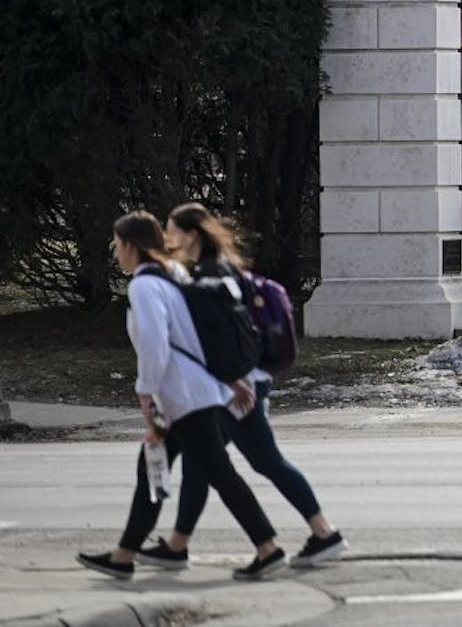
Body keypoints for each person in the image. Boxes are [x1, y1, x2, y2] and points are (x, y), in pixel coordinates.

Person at [130, 202, 346, 572]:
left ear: (191, 235)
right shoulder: (219, 270)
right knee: (202, 464)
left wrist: (232, 382)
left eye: (172, 230)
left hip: (238, 386)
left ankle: (322, 533)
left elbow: (220, 342)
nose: (168, 239)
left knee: (264, 461)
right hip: (237, 383)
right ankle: (178, 544)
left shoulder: (213, 276)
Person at [78, 211, 286, 581]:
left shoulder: (144, 286)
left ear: (130, 244)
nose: (114, 252)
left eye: (116, 244)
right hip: (190, 395)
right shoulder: (173, 275)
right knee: (152, 469)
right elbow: (198, 336)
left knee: (220, 474)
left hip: (183, 398)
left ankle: (267, 548)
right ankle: (124, 555)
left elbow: (156, 346)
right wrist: (228, 378)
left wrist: (145, 392)